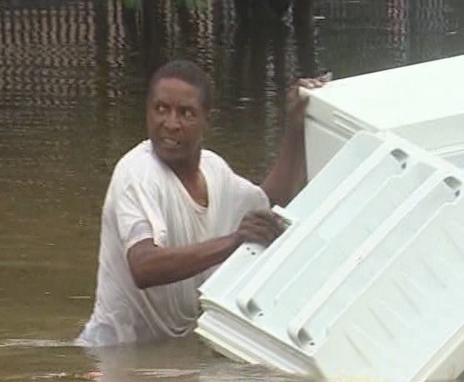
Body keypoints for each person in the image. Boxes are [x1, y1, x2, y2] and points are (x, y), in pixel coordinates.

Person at [77, 60, 326, 347]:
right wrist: (233, 241)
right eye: (161, 109)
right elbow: (143, 266)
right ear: (147, 112)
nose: (171, 124)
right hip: (112, 352)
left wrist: (296, 126)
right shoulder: (137, 173)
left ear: (207, 119)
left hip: (169, 353)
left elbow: (271, 204)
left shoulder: (214, 169)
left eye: (186, 113)